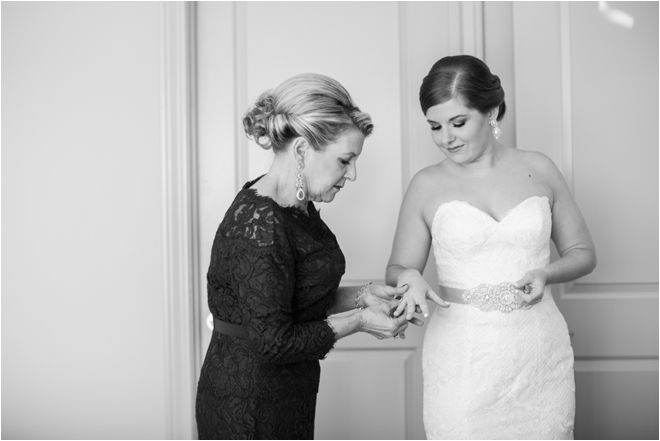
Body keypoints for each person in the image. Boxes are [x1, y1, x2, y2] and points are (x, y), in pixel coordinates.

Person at [195, 73, 421, 440]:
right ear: (302, 151)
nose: (353, 174)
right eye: (345, 160)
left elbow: (293, 298)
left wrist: (365, 295)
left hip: (287, 394)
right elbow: (274, 341)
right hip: (248, 404)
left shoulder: (295, 206)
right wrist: (360, 321)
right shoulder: (262, 223)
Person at [386, 55, 597, 439]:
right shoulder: (425, 185)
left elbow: (583, 253)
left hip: (538, 352)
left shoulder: (541, 168)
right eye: (435, 126)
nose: (445, 138)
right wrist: (410, 277)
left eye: (458, 122)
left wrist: (546, 272)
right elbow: (398, 267)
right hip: (463, 359)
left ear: (493, 111)